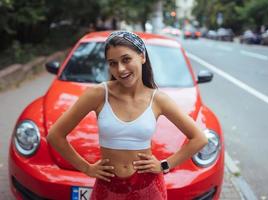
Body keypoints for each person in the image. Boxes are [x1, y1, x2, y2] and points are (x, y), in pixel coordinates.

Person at [47, 31, 209, 200]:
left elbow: (199, 138)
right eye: (113, 63)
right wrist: (86, 168)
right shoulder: (98, 94)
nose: (120, 69)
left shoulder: (158, 99)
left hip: (148, 187)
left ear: (142, 56)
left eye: (126, 59)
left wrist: (165, 165)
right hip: (107, 187)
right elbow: (55, 135)